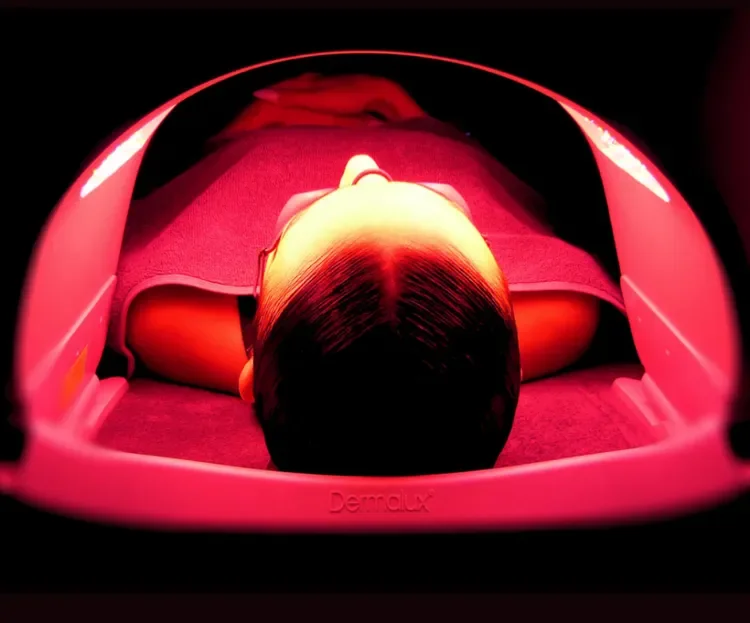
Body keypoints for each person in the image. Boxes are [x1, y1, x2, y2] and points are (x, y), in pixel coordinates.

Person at [125, 73, 601, 476]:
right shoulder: (565, 313)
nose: (364, 164)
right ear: (518, 357)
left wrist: (232, 137)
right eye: (439, 201)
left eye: (313, 205)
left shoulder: (162, 314)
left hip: (261, 135)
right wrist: (407, 112)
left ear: (251, 373)